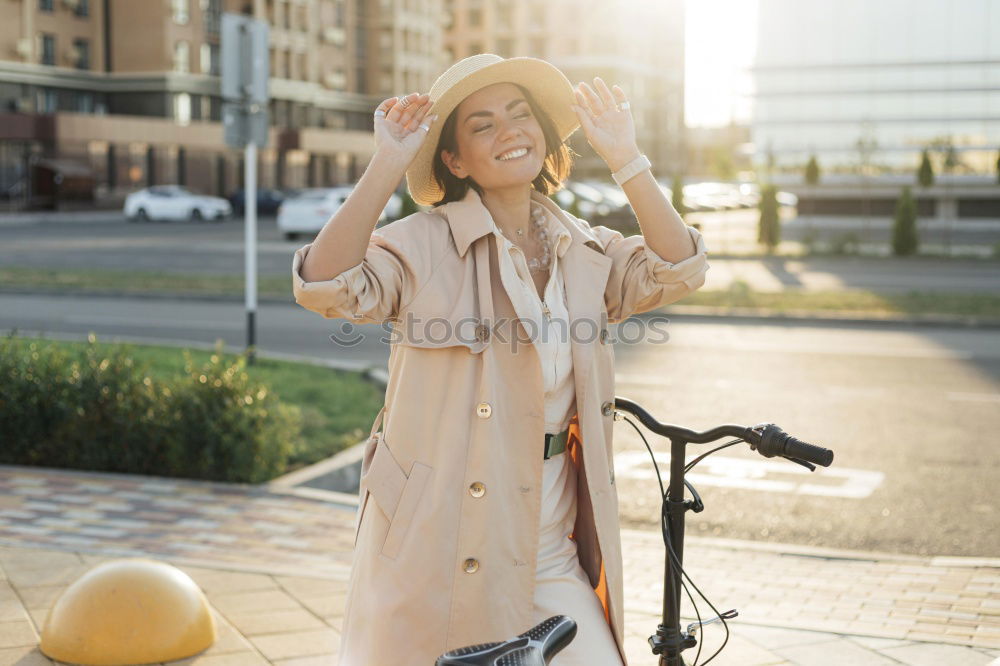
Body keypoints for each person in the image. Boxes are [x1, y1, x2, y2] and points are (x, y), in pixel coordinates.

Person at [292, 53, 710, 666]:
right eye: (482, 124)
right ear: (455, 161)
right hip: (439, 537)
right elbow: (325, 283)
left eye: (520, 114)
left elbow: (679, 269)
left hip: (548, 541)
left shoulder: (585, 250)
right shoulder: (423, 245)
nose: (509, 130)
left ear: (543, 133)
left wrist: (626, 156)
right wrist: (389, 161)